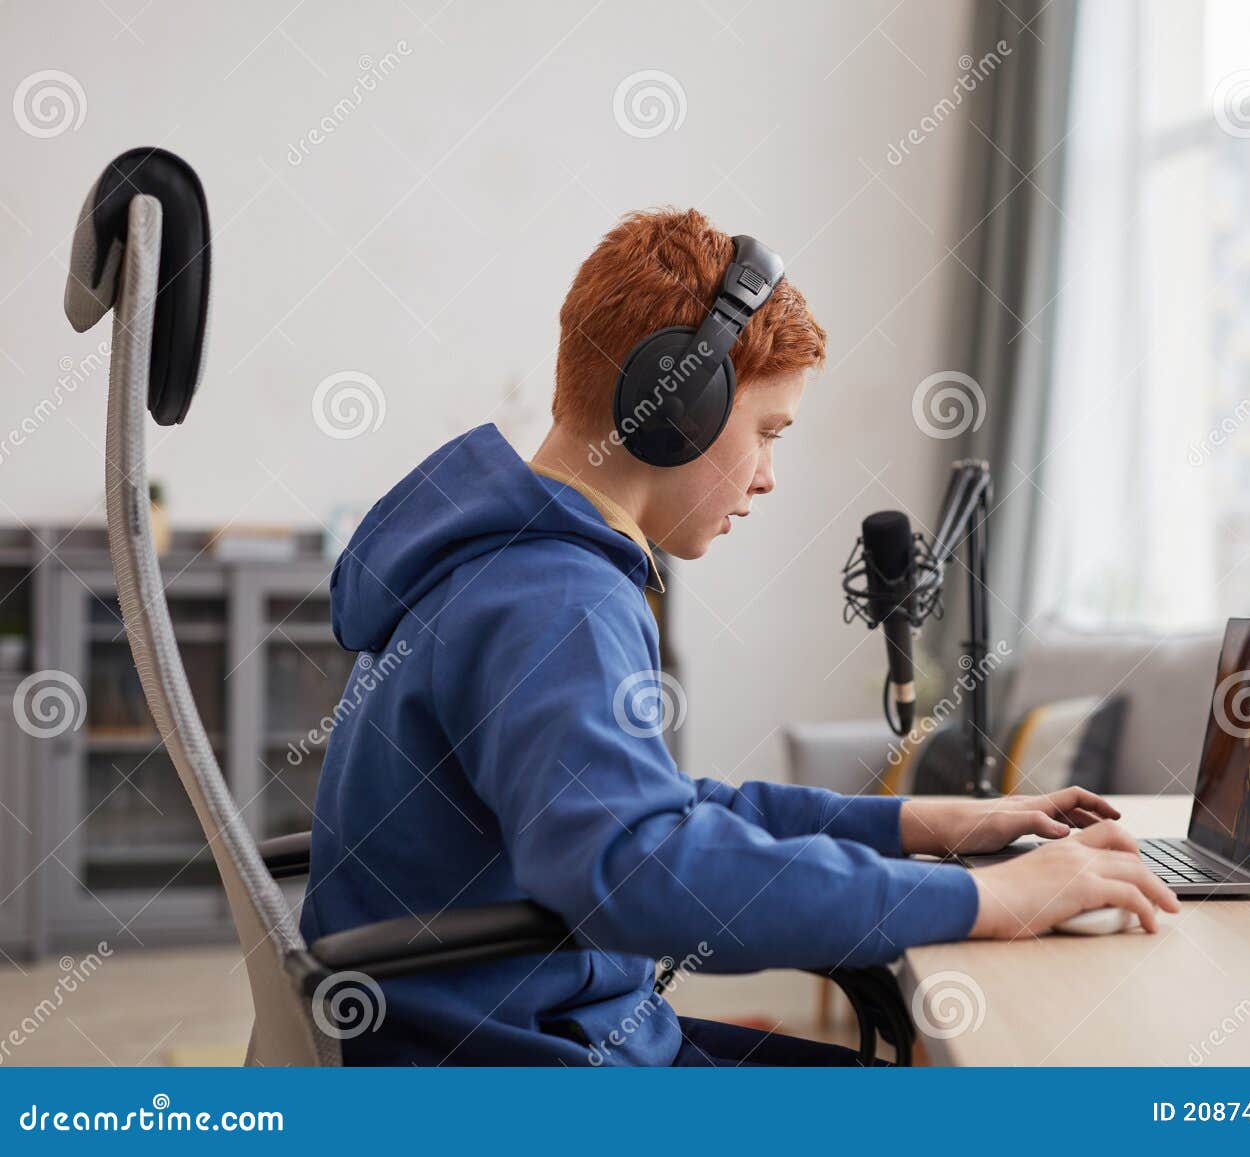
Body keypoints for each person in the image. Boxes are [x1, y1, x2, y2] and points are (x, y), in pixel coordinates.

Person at [301, 207, 1179, 1066]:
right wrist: (986, 899)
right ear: (677, 404)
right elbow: (643, 868)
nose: (766, 477)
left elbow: (659, 814)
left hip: (527, 1035)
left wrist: (916, 822)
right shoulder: (554, 597)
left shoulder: (506, 566)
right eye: (766, 432)